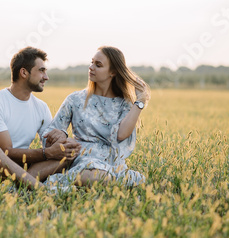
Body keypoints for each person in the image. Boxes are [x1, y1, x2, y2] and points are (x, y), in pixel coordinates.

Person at [0, 47, 81, 190]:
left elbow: (51, 144)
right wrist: (47, 153)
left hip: (22, 169)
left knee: (69, 146)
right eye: (41, 71)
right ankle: (41, 190)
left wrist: (60, 138)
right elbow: (5, 152)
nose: (46, 77)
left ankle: (16, 187)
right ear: (24, 72)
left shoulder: (41, 107)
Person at [42, 45, 151, 188]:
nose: (91, 67)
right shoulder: (75, 99)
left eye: (98, 65)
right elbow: (51, 131)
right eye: (92, 62)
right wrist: (61, 135)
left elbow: (122, 134)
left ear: (112, 72)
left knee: (100, 178)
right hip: (84, 159)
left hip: (111, 160)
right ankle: (115, 181)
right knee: (91, 176)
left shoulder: (124, 104)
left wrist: (140, 102)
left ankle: (109, 179)